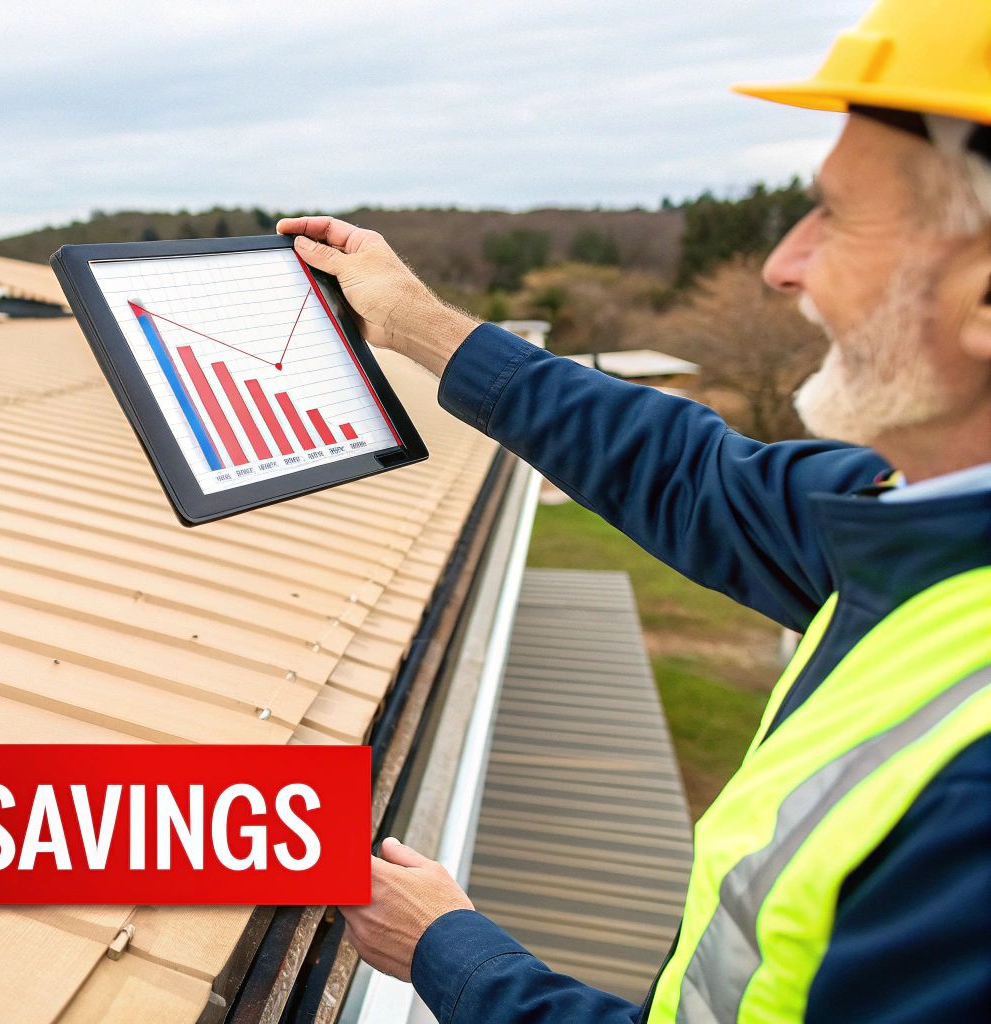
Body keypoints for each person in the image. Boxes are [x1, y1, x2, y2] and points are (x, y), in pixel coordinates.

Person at [279, 1, 991, 1020]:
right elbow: (692, 475)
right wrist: (419, 325)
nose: (780, 264)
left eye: (836, 216)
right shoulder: (924, 525)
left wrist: (451, 954)